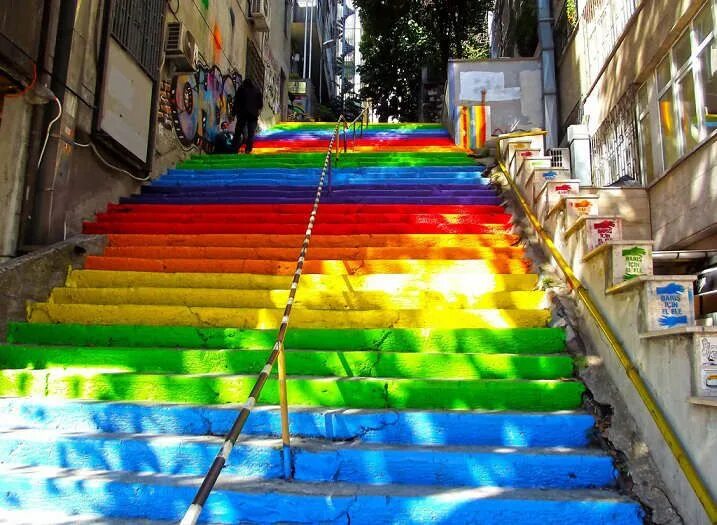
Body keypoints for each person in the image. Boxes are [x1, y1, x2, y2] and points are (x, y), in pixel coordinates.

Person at [234, 78, 263, 154]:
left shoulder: (241, 89)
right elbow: (260, 104)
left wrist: (234, 113)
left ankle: (235, 148)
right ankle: (248, 149)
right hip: (253, 115)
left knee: (238, 131)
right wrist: (257, 112)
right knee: (251, 133)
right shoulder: (257, 91)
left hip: (242, 114)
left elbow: (236, 102)